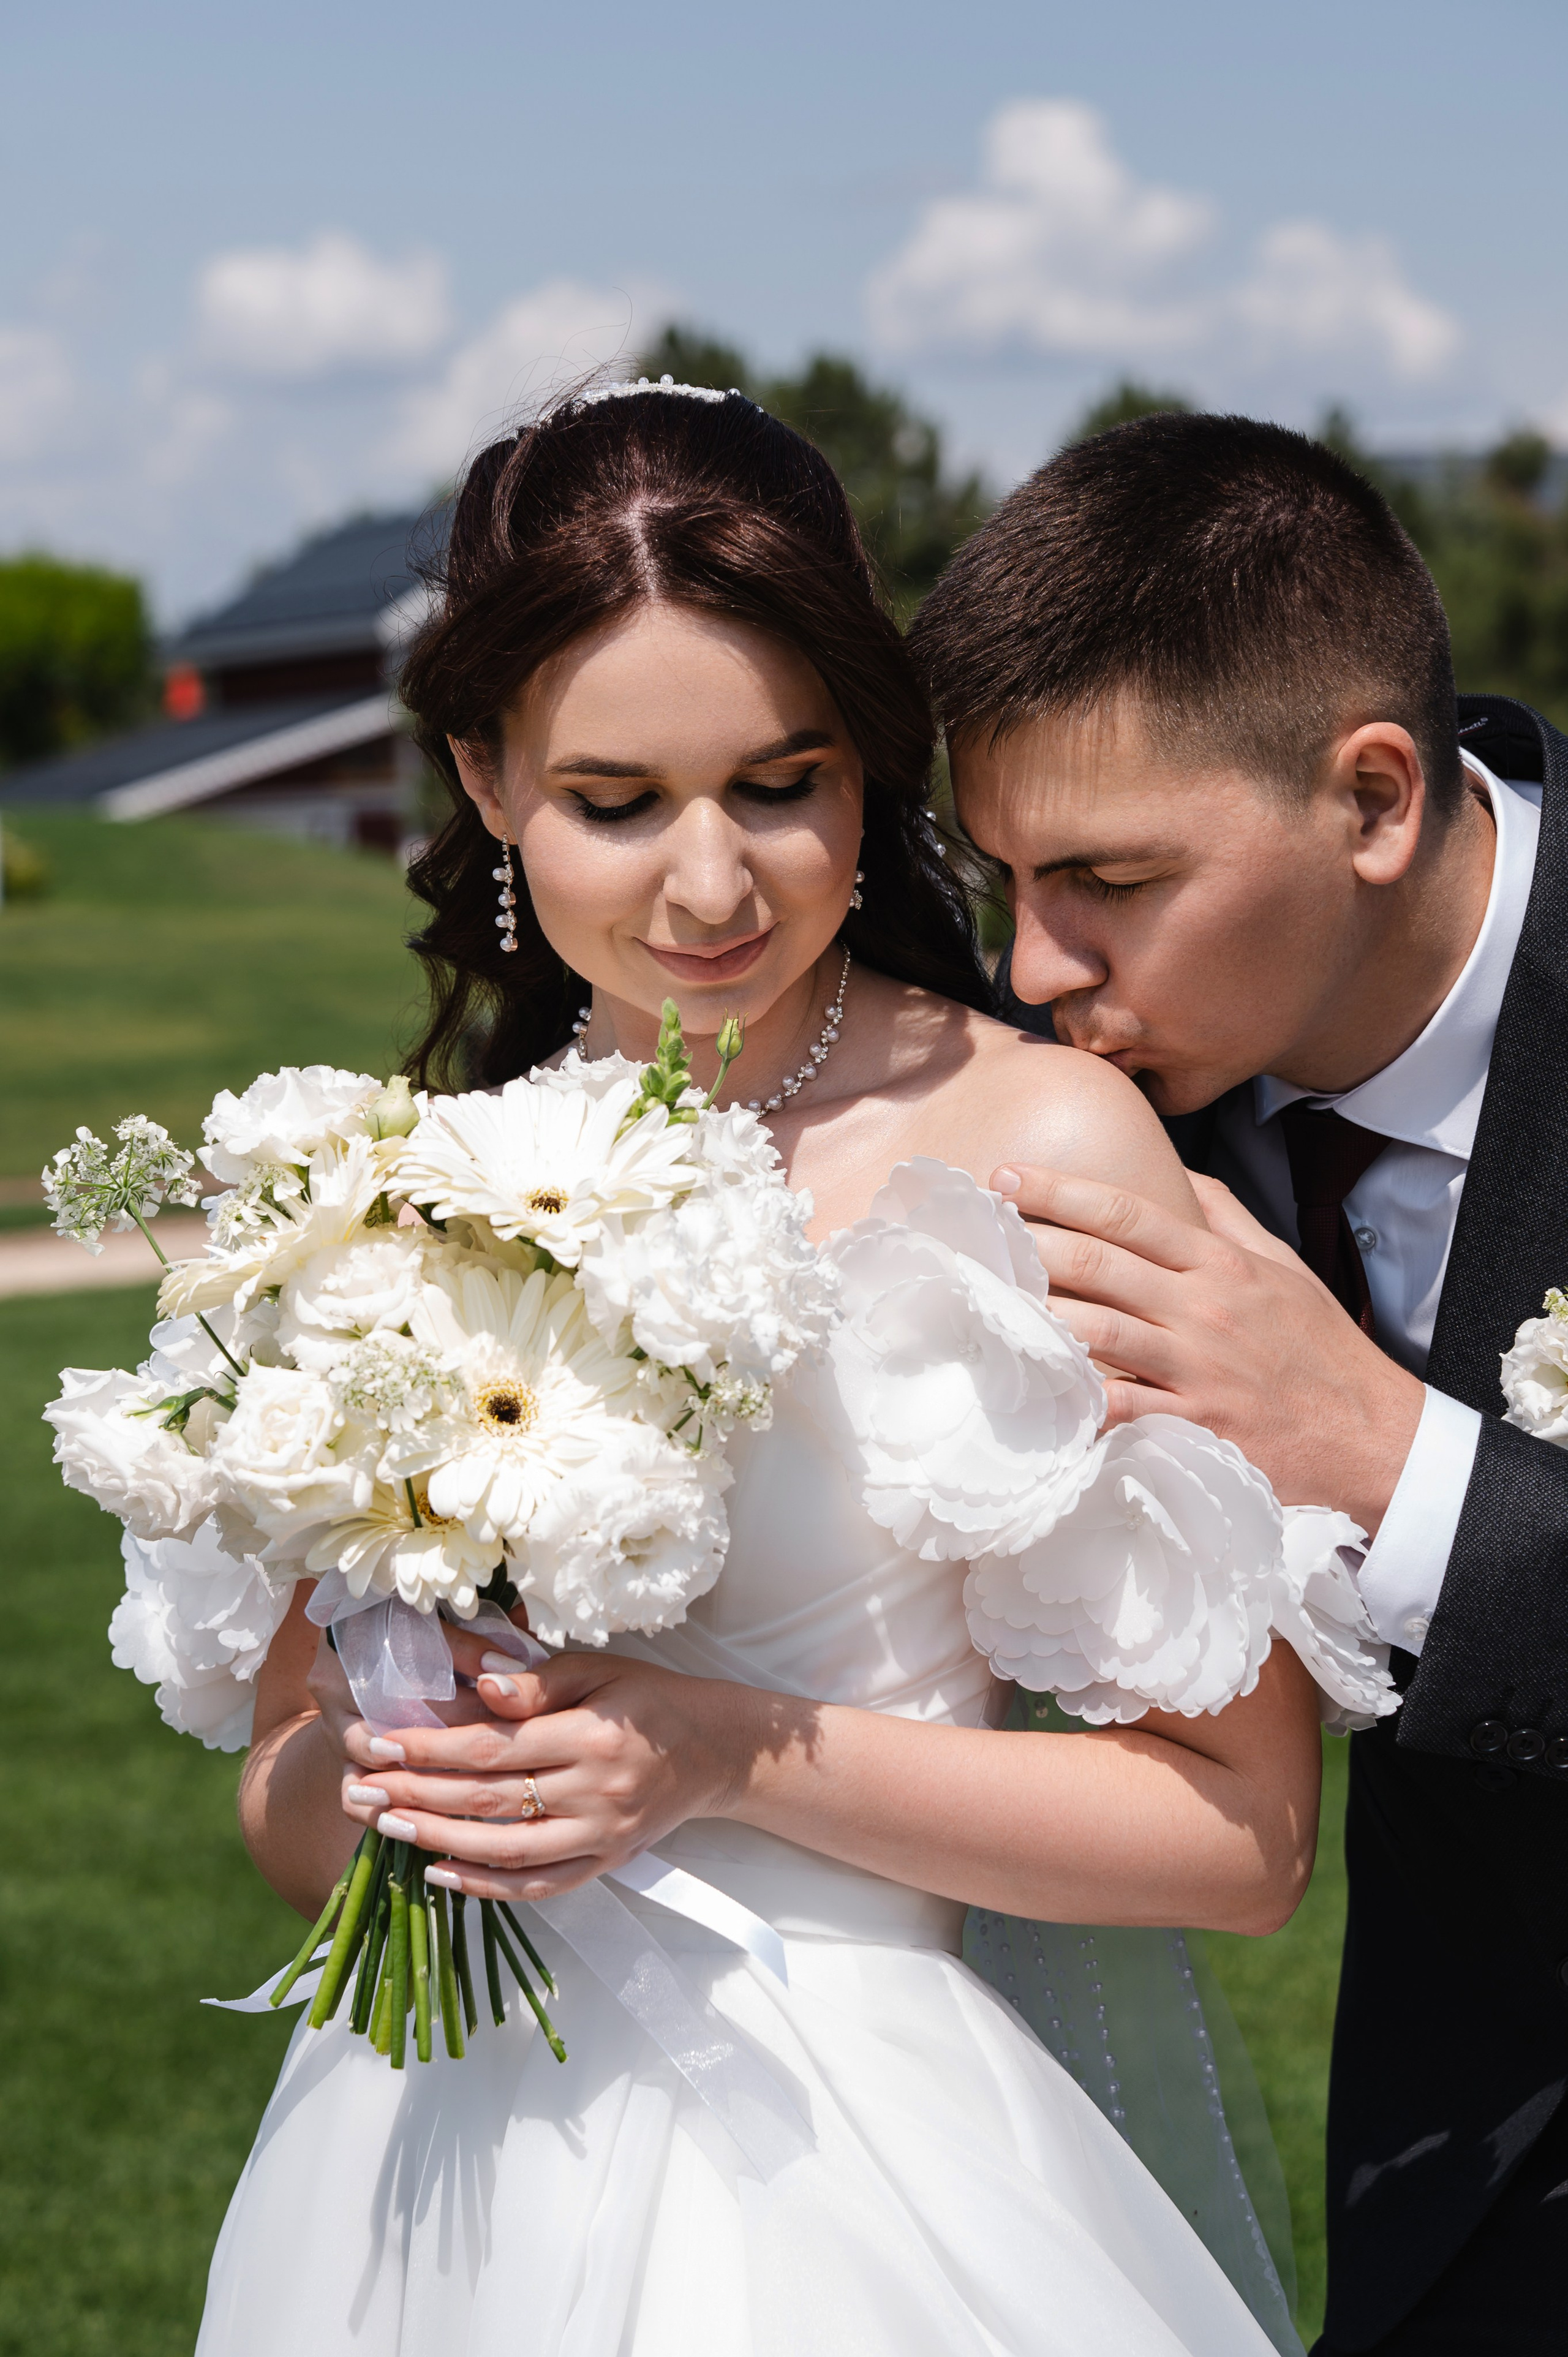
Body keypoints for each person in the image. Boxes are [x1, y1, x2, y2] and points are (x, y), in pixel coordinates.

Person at [197, 385, 1368, 2357]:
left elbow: (1242, 1843)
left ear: (868, 765)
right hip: (429, 2174)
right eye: (616, 801)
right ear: (485, 783)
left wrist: (711, 1752)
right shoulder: (396, 1202)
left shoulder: (1045, 1147)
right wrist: (424, 1784)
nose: (713, 886)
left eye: (779, 781)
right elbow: (285, 1818)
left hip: (852, 2184)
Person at [911, 410, 1568, 2356]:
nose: (1030, 966)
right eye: (1001, 872)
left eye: (1107, 878)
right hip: (1438, 2185)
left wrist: (1385, 1455)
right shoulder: (1096, 1099)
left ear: (1373, 800)